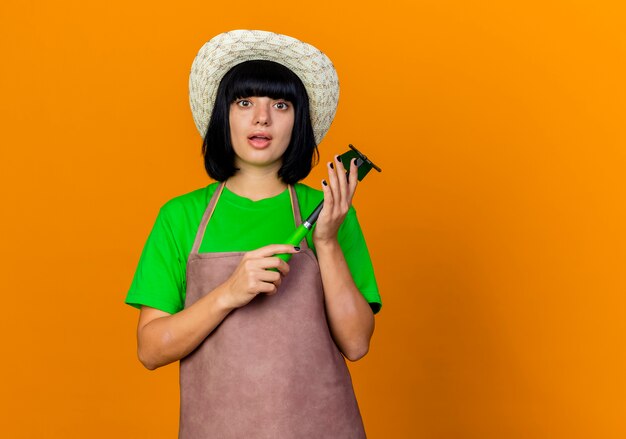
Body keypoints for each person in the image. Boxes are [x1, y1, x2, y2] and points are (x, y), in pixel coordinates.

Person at [125, 30, 382, 438]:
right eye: (244, 102)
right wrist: (229, 292)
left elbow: (356, 344)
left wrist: (328, 242)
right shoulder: (180, 216)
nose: (262, 118)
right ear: (222, 114)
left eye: (280, 105)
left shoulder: (331, 214)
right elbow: (150, 350)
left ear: (299, 120)